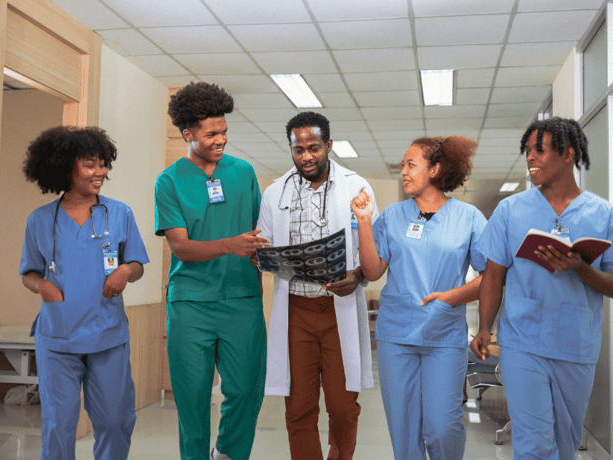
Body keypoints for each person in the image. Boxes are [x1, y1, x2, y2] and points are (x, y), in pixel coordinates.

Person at [470, 117, 613, 459]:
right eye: (528, 151)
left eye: (540, 150)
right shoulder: (510, 211)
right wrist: (485, 326)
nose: (531, 159)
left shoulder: (606, 215)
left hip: (575, 345)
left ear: (568, 155)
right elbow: (493, 275)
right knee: (534, 443)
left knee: (565, 442)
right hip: (522, 342)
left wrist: (580, 268)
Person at [351, 136, 486, 460]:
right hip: (397, 337)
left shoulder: (468, 217)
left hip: (444, 336)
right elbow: (372, 271)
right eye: (402, 166)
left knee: (443, 427)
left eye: (411, 165)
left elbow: (491, 277)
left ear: (436, 169)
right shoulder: (394, 216)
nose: (404, 172)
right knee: (404, 430)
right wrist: (364, 221)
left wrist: (452, 297)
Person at [154, 81, 269, 460]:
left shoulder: (243, 172)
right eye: (211, 133)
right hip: (190, 304)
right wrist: (230, 245)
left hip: (242, 299)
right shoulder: (169, 181)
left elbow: (255, 233)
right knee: (192, 398)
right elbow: (181, 247)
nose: (221, 139)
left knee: (246, 391)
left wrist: (259, 256)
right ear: (188, 134)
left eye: (224, 131)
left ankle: (229, 453)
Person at [19, 126, 149, 460]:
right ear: (65, 167)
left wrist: (124, 270)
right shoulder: (39, 220)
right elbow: (29, 272)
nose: (101, 171)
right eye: (90, 164)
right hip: (58, 337)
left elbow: (136, 264)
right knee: (58, 424)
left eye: (103, 163)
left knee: (115, 420)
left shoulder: (119, 213)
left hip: (107, 335)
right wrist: (42, 285)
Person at [257, 111, 377, 460]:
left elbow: (373, 255)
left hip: (338, 309)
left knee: (342, 406)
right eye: (298, 150)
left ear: (329, 145)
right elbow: (265, 245)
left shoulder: (357, 186)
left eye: (313, 147)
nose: (306, 156)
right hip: (296, 311)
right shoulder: (274, 192)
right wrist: (261, 256)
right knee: (298, 409)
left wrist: (359, 276)